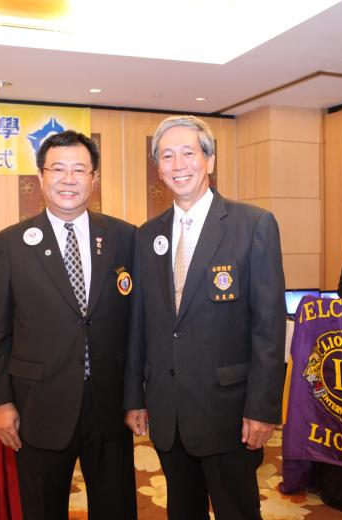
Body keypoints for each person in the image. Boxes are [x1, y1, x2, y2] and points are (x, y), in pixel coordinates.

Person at [124, 116, 287, 519]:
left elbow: (268, 328)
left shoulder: (253, 225)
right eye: (167, 156)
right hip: (169, 411)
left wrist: (263, 408)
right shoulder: (147, 235)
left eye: (188, 153)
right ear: (158, 168)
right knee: (182, 510)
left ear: (210, 160)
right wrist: (135, 398)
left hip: (229, 412)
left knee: (237, 511)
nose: (178, 165)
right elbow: (140, 324)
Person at [0, 130, 137, 519]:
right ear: (41, 176)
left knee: (116, 507)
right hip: (39, 405)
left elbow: (137, 326)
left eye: (80, 170)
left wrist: (137, 396)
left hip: (109, 404)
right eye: (58, 169)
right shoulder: (11, 243)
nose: (69, 179)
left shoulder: (123, 237)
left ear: (94, 178)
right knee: (42, 508)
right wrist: (1, 402)